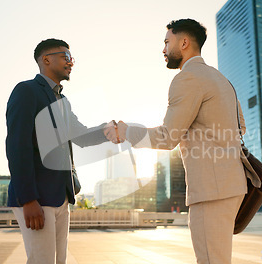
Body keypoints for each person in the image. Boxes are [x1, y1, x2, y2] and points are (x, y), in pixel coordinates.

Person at [105, 19, 247, 264]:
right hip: (232, 185)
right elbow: (240, 127)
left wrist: (127, 132)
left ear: (183, 43)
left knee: (211, 260)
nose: (163, 49)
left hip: (210, 190)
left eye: (166, 42)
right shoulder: (222, 80)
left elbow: (167, 136)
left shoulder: (188, 78)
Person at [6, 38, 111, 264]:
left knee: (58, 261)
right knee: (42, 261)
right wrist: (28, 199)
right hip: (37, 196)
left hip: (61, 194)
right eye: (66, 57)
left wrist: (108, 131)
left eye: (72, 58)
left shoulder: (63, 101)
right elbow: (17, 144)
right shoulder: (26, 91)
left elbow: (80, 136)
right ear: (46, 59)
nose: (71, 62)